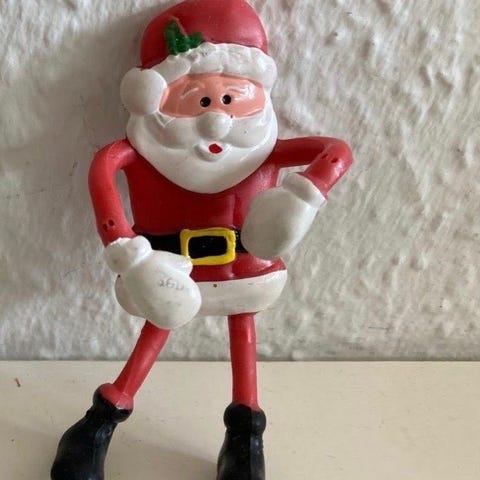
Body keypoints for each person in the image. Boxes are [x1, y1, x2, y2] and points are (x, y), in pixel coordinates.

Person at [51, 1, 352, 479]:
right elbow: (103, 168)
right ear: (154, 99)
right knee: (156, 328)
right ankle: (100, 421)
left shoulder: (261, 149)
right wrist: (126, 250)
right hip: (167, 269)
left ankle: (245, 432)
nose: (217, 120)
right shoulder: (143, 151)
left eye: (231, 99)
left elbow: (335, 150)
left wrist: (307, 191)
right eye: (197, 100)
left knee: (242, 334)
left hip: (245, 271)